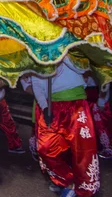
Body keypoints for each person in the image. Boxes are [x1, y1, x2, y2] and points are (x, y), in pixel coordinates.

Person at [33, 56, 99, 196]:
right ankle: (66, 181)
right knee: (45, 147)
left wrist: (62, 55)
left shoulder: (73, 50)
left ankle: (85, 189)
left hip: (77, 104)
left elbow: (82, 69)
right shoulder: (38, 54)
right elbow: (37, 84)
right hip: (53, 106)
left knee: (83, 150)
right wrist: (45, 107)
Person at [84, 72, 112, 159]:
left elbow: (105, 84)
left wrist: (101, 100)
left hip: (98, 99)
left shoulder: (100, 68)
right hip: (88, 99)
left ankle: (108, 148)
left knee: (102, 125)